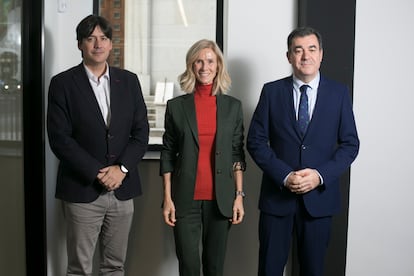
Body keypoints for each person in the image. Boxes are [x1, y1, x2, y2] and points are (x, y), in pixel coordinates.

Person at [247, 27, 360, 276]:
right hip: (277, 199)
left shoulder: (339, 94)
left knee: (313, 270)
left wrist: (319, 175)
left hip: (320, 201)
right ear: (289, 56)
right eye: (298, 50)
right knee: (269, 269)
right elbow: (255, 141)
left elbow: (350, 144)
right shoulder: (271, 91)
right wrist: (285, 175)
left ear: (321, 54)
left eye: (311, 49)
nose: (305, 56)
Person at [47, 15, 149, 276]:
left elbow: (141, 133)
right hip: (82, 189)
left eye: (103, 38)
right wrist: (99, 172)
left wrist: (121, 169)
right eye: (90, 39)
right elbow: (60, 139)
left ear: (111, 44)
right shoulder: (62, 84)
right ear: (80, 44)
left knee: (115, 266)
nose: (97, 44)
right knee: (79, 268)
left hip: (122, 189)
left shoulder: (128, 81)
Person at [160, 39, 246, 276]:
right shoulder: (176, 107)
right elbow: (168, 153)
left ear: (218, 65)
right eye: (198, 61)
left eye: (210, 61)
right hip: (184, 199)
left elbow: (237, 154)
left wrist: (239, 196)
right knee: (188, 266)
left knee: (214, 267)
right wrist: (167, 198)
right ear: (191, 65)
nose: (204, 66)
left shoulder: (233, 107)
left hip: (221, 199)